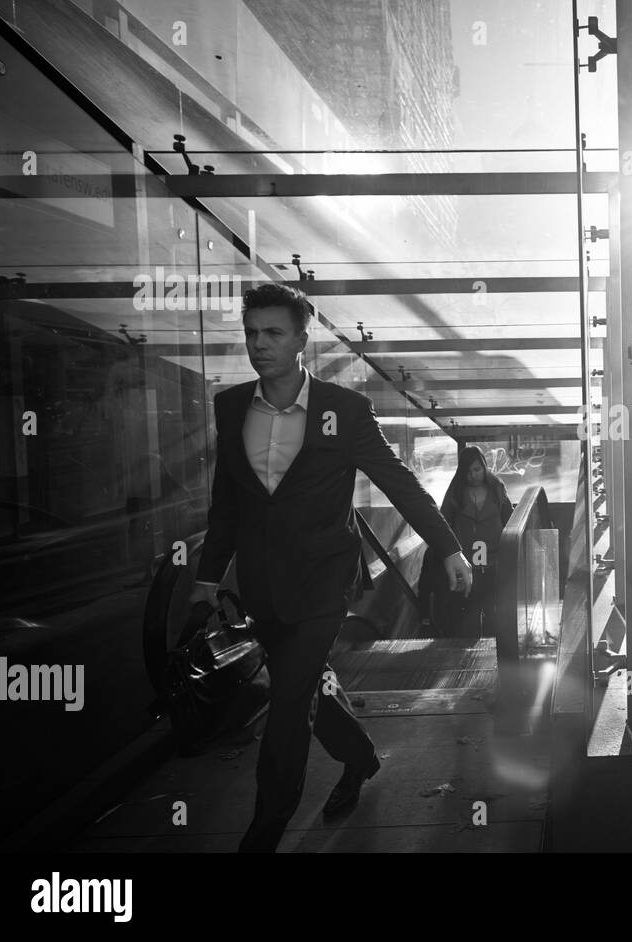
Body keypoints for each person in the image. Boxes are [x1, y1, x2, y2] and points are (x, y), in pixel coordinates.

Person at [188, 283, 474, 853]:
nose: (259, 345)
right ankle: (362, 759)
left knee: (289, 701)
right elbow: (228, 505)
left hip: (323, 584)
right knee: (306, 686)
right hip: (263, 588)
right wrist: (204, 580)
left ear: (301, 339)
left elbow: (399, 483)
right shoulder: (230, 406)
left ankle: (263, 832)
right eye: (251, 333)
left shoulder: (343, 411)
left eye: (273, 333)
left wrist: (448, 546)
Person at [438, 446, 514, 639]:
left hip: (494, 560)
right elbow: (443, 523)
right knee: (468, 611)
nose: (473, 475)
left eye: (477, 469)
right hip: (466, 563)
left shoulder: (497, 488)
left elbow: (511, 520)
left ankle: (492, 647)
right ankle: (468, 648)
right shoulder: (455, 492)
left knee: (493, 610)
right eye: (468, 471)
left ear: (484, 467)